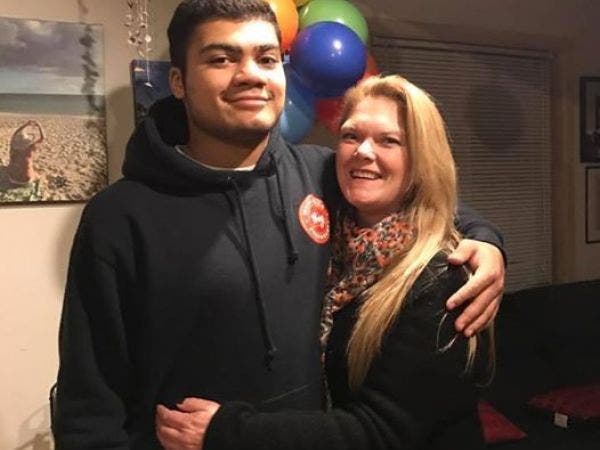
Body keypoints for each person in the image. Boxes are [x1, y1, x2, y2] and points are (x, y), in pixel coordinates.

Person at [54, 1, 504, 449]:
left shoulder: (320, 174)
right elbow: (89, 405)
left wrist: (486, 241)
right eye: (221, 58)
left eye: (267, 58)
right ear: (178, 82)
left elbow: (416, 196)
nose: (250, 74)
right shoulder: (120, 216)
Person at [156, 74, 494, 450]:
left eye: (389, 141)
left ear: (422, 161)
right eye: (351, 136)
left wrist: (227, 432)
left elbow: (382, 431)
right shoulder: (334, 238)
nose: (363, 151)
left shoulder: (440, 279)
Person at [7, 120, 44, 185]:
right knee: (37, 174)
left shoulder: (13, 146)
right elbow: (42, 138)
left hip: (12, 178)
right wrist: (39, 126)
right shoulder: (30, 148)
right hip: (26, 180)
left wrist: (25, 125)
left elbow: (15, 134)